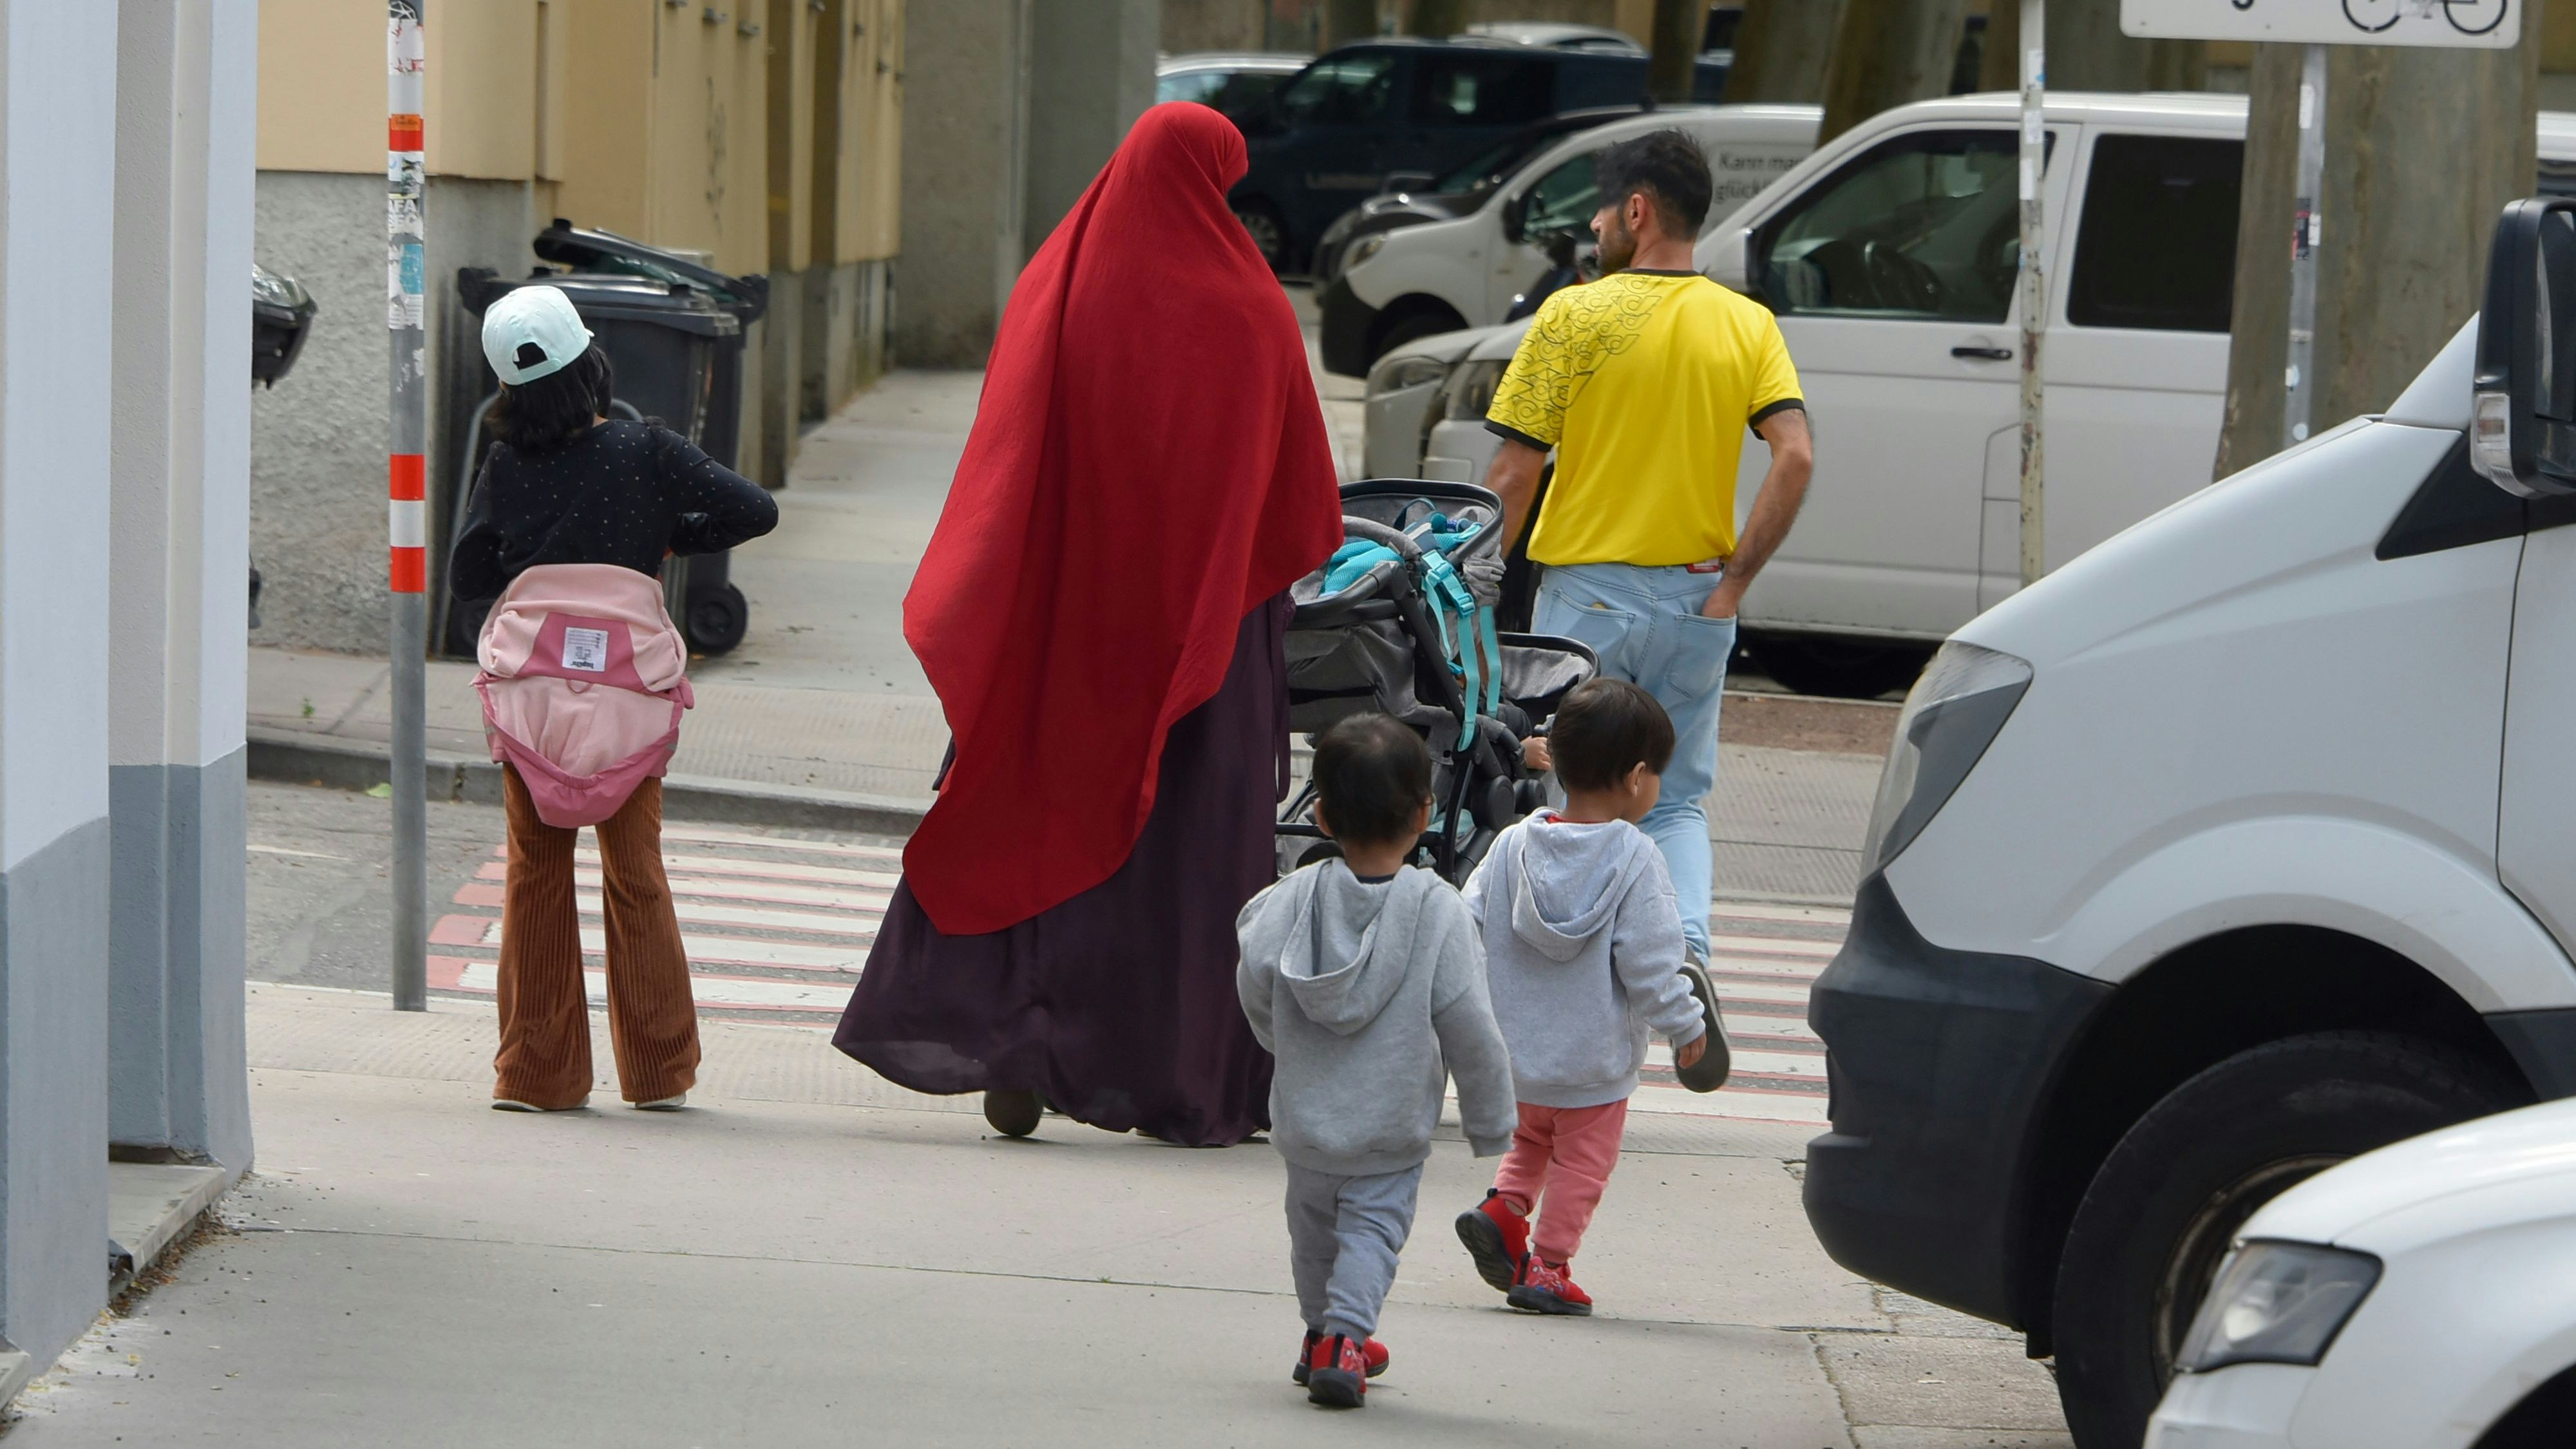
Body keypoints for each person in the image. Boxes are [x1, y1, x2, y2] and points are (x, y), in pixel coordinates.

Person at [832, 104, 1345, 1146]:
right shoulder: (1251, 307)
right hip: (1200, 626)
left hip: (1062, 612)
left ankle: (1010, 1040)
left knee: (1028, 802)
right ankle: (1166, 1073)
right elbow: (1295, 495)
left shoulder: (1057, 282)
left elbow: (1007, 451)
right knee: (1186, 845)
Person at [1479, 129, 1815, 966]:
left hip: (1587, 602)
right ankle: (1685, 954)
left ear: (1636, 211)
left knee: (1567, 783)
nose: (1595, 227)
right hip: (1700, 602)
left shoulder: (1572, 315)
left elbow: (1515, 473)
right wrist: (1733, 586)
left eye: (1601, 211)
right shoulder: (1748, 324)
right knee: (1674, 803)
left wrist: (1471, 587)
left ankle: (1564, 963)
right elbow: (1796, 455)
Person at [451, 284, 779, 1112]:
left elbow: (469, 573)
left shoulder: (505, 466)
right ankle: (659, 1071)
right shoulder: (646, 450)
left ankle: (536, 1074)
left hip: (533, 703)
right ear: (591, 364)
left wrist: (533, 555)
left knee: (534, 873)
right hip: (629, 698)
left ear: (507, 389)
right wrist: (666, 535)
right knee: (636, 873)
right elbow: (754, 510)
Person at [1235, 714, 1517, 1408]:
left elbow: (1254, 975)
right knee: (1371, 1233)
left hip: (1305, 1122)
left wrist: (1279, 1041)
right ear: (1424, 813)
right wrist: (1491, 1120)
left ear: (1322, 816)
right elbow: (1471, 1026)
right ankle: (1345, 1338)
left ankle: (1320, 1333)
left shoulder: (1290, 899)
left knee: (1313, 1237)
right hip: (1389, 1127)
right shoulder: (1438, 912)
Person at [1453, 679, 1709, 1316]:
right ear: (1638, 777)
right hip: (1593, 1065)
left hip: (1518, 1057)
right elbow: (1652, 963)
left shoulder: (1512, 843)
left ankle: (1504, 1209)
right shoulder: (1636, 858)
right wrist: (1685, 1024)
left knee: (1531, 1142)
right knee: (1581, 1167)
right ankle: (1548, 1266)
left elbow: (1465, 926)